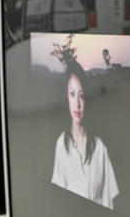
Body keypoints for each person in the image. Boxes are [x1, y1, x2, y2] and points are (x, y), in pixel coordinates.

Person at [51, 57, 119, 209]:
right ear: (66, 97)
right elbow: (58, 199)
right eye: (72, 94)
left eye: (81, 95)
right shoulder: (61, 145)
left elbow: (109, 203)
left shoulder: (100, 147)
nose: (77, 104)